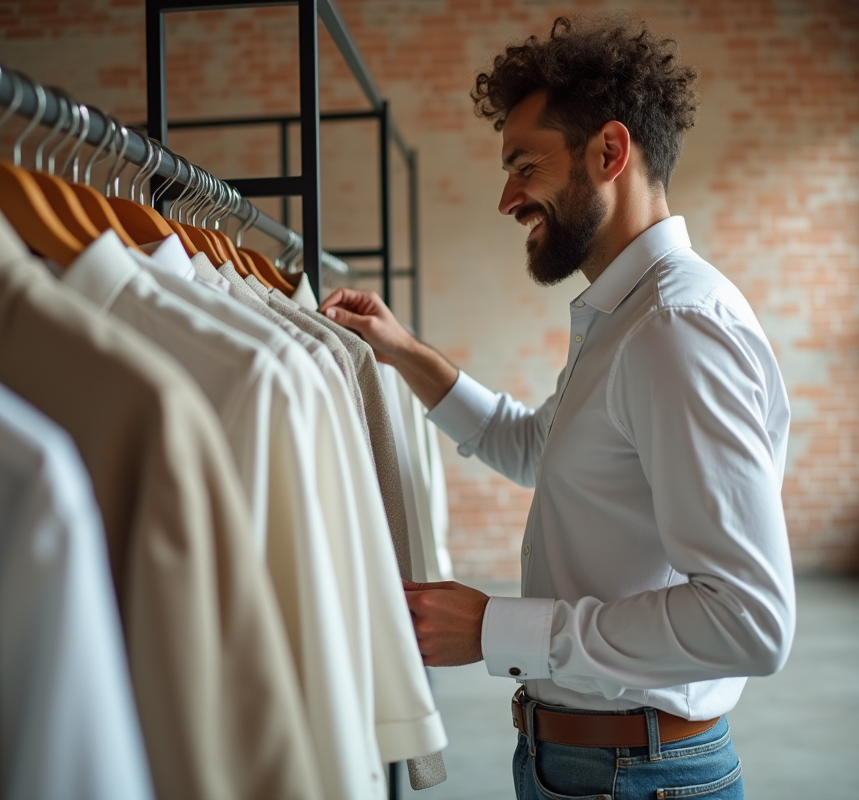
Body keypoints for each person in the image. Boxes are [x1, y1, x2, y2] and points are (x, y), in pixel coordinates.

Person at [320, 14, 794, 800]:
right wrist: (402, 352)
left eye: (524, 166)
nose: (507, 199)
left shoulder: (672, 328)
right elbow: (536, 449)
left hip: (637, 776)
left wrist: (494, 629)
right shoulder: (628, 318)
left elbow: (749, 620)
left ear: (609, 153)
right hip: (595, 766)